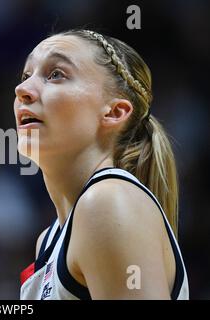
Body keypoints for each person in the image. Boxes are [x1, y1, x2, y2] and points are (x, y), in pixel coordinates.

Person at [15, 29, 189, 300]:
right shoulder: (48, 240)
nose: (22, 90)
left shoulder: (107, 202)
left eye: (55, 74)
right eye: (26, 76)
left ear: (114, 112)